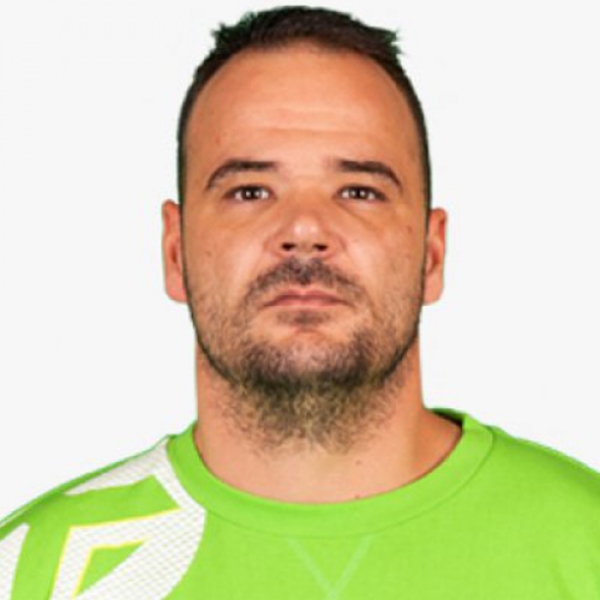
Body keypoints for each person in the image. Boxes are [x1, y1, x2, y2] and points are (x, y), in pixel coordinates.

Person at [1, 5, 599, 598]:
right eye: (250, 191)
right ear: (175, 251)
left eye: (359, 191)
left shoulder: (586, 543)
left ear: (432, 254)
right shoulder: (32, 571)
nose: (305, 229)